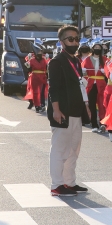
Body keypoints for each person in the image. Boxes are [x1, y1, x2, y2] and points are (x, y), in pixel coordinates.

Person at [47, 25, 90, 197]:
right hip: (62, 111)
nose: (75, 42)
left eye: (77, 39)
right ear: (62, 42)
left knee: (74, 149)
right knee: (60, 149)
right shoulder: (56, 62)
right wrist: (56, 110)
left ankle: (69, 182)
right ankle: (57, 185)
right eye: (70, 39)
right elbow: (53, 88)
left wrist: (86, 106)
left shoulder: (76, 61)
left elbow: (80, 86)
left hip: (76, 110)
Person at [83, 40, 108, 132]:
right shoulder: (87, 59)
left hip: (101, 84)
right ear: (92, 48)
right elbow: (83, 72)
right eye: (95, 47)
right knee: (91, 104)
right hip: (91, 83)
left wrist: (105, 72)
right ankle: (94, 123)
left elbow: (110, 72)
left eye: (99, 48)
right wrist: (84, 70)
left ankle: (103, 123)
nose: (97, 49)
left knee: (102, 104)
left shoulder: (105, 59)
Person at [24, 40, 50, 114]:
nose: (40, 53)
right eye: (39, 52)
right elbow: (29, 69)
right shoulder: (32, 60)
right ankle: (36, 105)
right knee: (35, 92)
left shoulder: (44, 60)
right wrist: (28, 66)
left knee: (42, 92)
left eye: (41, 52)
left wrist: (47, 76)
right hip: (34, 77)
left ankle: (42, 104)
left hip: (42, 77)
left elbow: (47, 68)